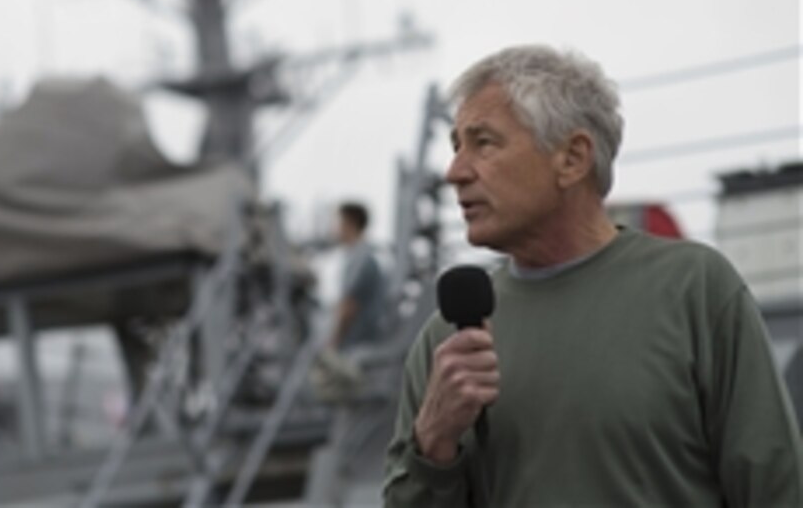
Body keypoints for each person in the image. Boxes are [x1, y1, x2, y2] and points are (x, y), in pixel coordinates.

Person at [383, 45, 803, 506]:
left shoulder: (695, 290)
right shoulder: (447, 341)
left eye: (483, 143)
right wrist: (433, 443)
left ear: (572, 158)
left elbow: (775, 490)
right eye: (456, 146)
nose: (455, 172)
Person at [311, 201, 386, 401]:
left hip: (356, 349)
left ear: (349, 223)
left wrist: (333, 344)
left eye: (338, 222)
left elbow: (349, 305)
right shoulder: (361, 257)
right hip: (357, 347)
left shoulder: (361, 259)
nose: (335, 229)